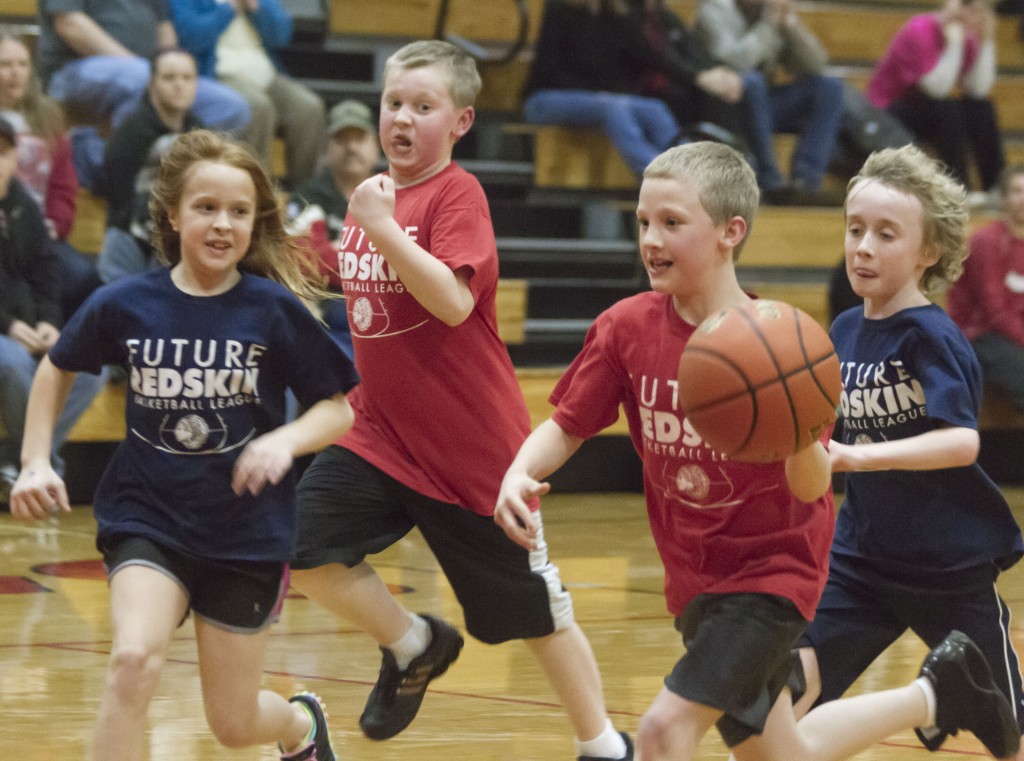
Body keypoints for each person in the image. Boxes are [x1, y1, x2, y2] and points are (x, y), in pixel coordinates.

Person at [493, 140, 1021, 761]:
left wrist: (816, 444)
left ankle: (950, 693)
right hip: (717, 571)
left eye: (671, 223)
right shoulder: (630, 329)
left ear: (730, 232)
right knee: (778, 750)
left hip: (790, 573)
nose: (651, 239)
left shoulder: (786, 344)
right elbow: (568, 423)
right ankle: (935, 694)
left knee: (663, 732)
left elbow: (826, 479)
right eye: (643, 223)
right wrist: (518, 472)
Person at [288, 40, 633, 761]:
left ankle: (604, 745)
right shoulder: (371, 202)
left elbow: (448, 300)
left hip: (475, 452)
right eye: (393, 103)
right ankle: (413, 642)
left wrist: (379, 227)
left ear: (462, 120)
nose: (402, 118)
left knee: (536, 614)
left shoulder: (455, 195)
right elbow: (363, 299)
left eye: (423, 106)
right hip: (383, 435)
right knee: (305, 547)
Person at [8, 128, 360, 761]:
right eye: (206, 208)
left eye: (239, 211)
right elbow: (57, 368)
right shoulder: (126, 303)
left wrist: (284, 441)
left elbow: (337, 410)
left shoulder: (273, 310)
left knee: (231, 724)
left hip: (246, 533)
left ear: (256, 221)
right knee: (132, 661)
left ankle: (297, 727)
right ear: (172, 214)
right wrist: (35, 460)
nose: (222, 224)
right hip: (149, 517)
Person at [789, 145, 1024, 759]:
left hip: (946, 566)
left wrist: (856, 458)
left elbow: (961, 441)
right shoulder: (840, 331)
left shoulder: (932, 336)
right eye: (855, 228)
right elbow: (820, 434)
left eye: (885, 234)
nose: (863, 246)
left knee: (1009, 734)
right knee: (781, 704)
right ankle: (928, 699)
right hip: (861, 560)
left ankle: (949, 694)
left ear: (928, 252)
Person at [36, 0, 250, 192]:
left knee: (230, 106)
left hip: (146, 71)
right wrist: (144, 68)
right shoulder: (142, 73)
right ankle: (120, 184)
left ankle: (185, 182)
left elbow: (165, 30)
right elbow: (70, 24)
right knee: (137, 79)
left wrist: (171, 63)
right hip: (73, 70)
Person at [0, 115, 104, 504]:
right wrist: (9, 326)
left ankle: (17, 463)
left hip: (30, 326)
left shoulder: (24, 206)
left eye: (3, 153)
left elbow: (47, 272)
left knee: (91, 370)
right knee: (9, 363)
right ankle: (37, 465)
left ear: (15, 160)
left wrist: (48, 321)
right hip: (6, 335)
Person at [693, 0, 844, 199]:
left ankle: (806, 181)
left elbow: (816, 65)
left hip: (761, 105)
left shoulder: (770, 14)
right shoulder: (714, 11)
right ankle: (769, 178)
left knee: (830, 86)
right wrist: (768, 25)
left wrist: (791, 27)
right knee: (753, 82)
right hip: (723, 105)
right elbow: (735, 63)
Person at [170, 0, 327, 189]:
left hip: (266, 74)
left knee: (309, 108)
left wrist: (256, 8)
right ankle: (258, 194)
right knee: (258, 107)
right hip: (220, 75)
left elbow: (282, 34)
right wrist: (229, 8)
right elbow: (189, 37)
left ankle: (304, 194)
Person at [521, 0, 685, 178]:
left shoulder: (616, 15)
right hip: (545, 99)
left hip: (601, 99)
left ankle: (692, 170)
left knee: (654, 109)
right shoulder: (560, 9)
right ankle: (657, 173)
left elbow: (643, 57)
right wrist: (598, 95)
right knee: (612, 107)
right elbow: (548, 70)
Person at [866, 0, 1005, 209]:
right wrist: (955, 45)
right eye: (972, 8)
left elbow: (978, 89)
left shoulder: (967, 36)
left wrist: (987, 41)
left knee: (981, 108)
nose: (977, 16)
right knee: (947, 109)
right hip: (888, 110)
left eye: (982, 11)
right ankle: (960, 189)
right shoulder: (919, 29)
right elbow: (935, 89)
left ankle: (997, 188)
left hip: (929, 110)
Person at [0, 29, 100, 317]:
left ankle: (61, 346)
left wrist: (56, 223)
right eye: (5, 65)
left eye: (22, 64)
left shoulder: (48, 117)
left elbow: (63, 186)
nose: (14, 73)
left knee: (84, 277)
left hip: (41, 233)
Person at [96, 47, 203, 284]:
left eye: (187, 78)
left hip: (180, 233)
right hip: (130, 238)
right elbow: (119, 197)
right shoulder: (131, 133)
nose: (179, 85)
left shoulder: (199, 130)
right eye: (169, 78)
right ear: (151, 84)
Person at [287, 99, 382, 359]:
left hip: (385, 307)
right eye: (341, 139)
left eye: (359, 138)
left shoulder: (394, 195)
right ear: (327, 148)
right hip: (327, 307)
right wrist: (370, 260)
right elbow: (305, 260)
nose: (351, 147)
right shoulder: (309, 196)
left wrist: (338, 251)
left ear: (376, 145)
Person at [948, 163, 1024, 414]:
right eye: (1016, 191)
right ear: (1002, 198)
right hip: (979, 337)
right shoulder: (986, 242)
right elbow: (995, 312)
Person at [628, 0, 750, 155]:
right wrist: (698, 77)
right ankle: (708, 162)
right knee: (710, 95)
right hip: (643, 89)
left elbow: (692, 49)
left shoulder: (664, 14)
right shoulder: (629, 15)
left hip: (678, 85)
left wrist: (717, 73)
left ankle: (734, 162)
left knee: (722, 91)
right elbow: (657, 57)